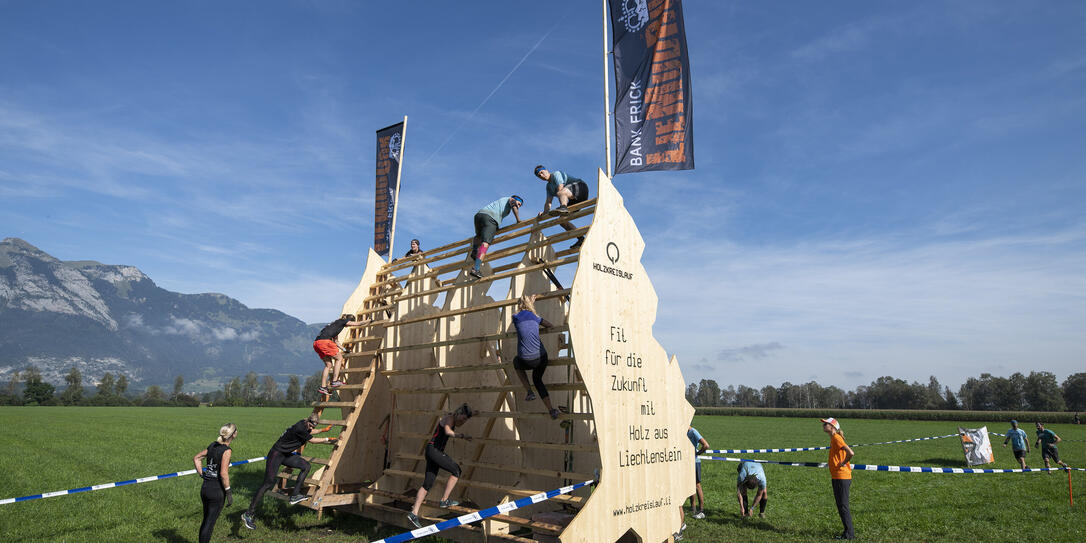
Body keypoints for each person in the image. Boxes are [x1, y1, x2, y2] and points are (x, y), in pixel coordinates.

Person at [242, 414, 337, 530]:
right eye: (311, 425)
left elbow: (310, 432)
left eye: (314, 426)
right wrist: (327, 439)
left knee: (306, 466)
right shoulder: (300, 428)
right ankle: (248, 514)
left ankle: (295, 495)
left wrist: (323, 430)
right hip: (276, 454)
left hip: (286, 455)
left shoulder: (305, 424)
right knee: (267, 483)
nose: (312, 428)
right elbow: (313, 440)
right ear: (308, 421)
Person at [407, 403, 476, 528]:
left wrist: (474, 413)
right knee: (456, 470)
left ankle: (413, 513)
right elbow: (448, 431)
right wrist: (460, 435)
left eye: (466, 420)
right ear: (459, 413)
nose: (463, 422)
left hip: (431, 451)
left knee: (427, 484)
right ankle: (444, 500)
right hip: (434, 451)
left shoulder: (454, 418)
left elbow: (459, 420)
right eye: (463, 418)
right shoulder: (450, 418)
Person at [511, 294, 560, 420]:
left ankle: (529, 392)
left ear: (519, 305)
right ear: (529, 304)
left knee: (516, 362)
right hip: (542, 358)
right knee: (537, 380)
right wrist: (532, 304)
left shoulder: (515, 317)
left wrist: (529, 303)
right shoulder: (535, 317)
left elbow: (522, 316)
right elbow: (550, 325)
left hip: (526, 361)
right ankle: (551, 410)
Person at [193, 423, 236, 543]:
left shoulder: (213, 445)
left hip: (205, 488)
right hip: (216, 491)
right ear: (233, 434)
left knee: (206, 520)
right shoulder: (227, 451)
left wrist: (203, 474)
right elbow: (223, 473)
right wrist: (228, 492)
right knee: (210, 523)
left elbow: (196, 458)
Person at [534, 165, 590, 249]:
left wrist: (562, 205)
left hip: (581, 188)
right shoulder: (548, 187)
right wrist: (544, 213)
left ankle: (563, 207)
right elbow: (548, 202)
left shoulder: (556, 174)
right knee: (562, 221)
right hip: (573, 199)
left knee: (560, 192)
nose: (541, 175)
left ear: (546, 170)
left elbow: (561, 187)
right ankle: (581, 238)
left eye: (542, 172)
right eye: (539, 175)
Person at [313, 313, 369, 395]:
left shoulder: (335, 324)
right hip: (325, 342)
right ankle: (335, 381)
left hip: (316, 343)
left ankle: (323, 387)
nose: (349, 326)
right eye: (349, 324)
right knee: (339, 358)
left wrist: (344, 349)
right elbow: (358, 324)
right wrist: (369, 321)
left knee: (328, 365)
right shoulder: (343, 321)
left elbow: (336, 342)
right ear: (349, 320)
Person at [469, 195, 523, 279]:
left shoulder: (502, 201)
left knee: (479, 236)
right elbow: (514, 206)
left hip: (479, 215)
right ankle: (476, 269)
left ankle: (475, 251)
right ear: (515, 200)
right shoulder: (511, 199)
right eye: (519, 204)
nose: (518, 206)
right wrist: (518, 220)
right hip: (491, 218)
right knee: (486, 243)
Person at [821, 417, 855, 540]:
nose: (824, 425)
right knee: (841, 506)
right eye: (824, 424)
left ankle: (849, 534)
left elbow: (851, 453)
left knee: (843, 506)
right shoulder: (833, 438)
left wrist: (843, 462)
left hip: (842, 477)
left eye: (826, 424)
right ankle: (848, 532)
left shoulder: (836, 438)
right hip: (837, 476)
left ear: (833, 427)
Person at [687, 426, 709, 519]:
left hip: (695, 462)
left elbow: (706, 445)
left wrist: (697, 453)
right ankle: (693, 508)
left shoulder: (693, 431)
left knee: (697, 485)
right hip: (687, 462)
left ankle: (701, 510)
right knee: (690, 485)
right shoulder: (683, 431)